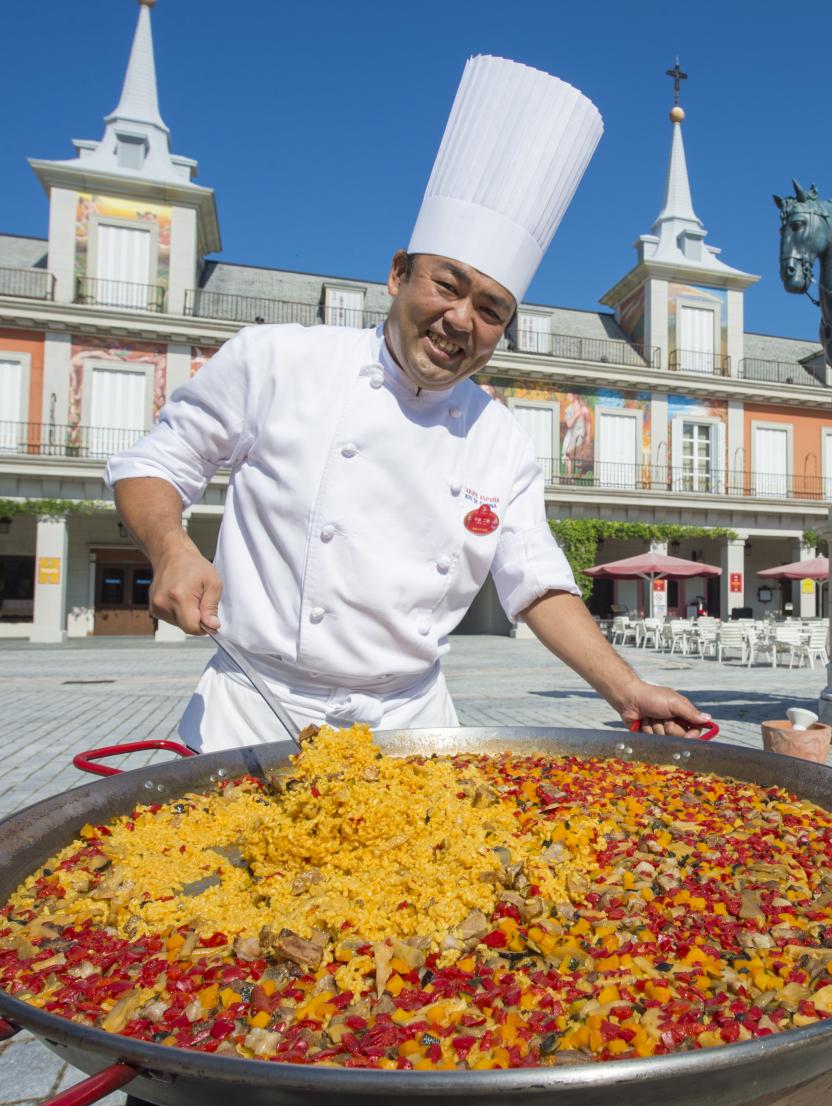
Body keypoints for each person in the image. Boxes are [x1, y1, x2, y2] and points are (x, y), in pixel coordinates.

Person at [106, 56, 711, 754]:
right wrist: (173, 548)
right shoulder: (275, 359)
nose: (460, 320)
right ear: (397, 273)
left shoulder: (501, 440)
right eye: (446, 286)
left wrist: (626, 688)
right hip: (254, 709)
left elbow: (538, 585)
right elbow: (154, 464)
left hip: (413, 726)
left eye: (490, 309)